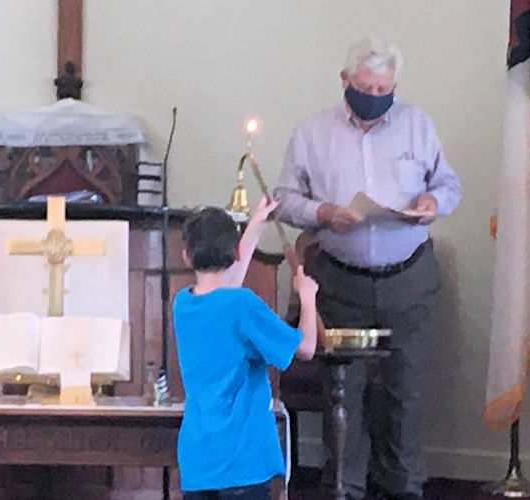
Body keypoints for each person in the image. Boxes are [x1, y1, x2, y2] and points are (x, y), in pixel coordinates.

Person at [273, 35, 461, 500]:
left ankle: (403, 486)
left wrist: (432, 201)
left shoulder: (417, 125)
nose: (375, 97)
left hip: (409, 278)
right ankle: (345, 486)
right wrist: (322, 213)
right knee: (344, 391)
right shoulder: (312, 132)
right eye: (365, 88)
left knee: (405, 391)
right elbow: (284, 199)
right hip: (341, 280)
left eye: (383, 90)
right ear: (344, 80)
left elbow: (448, 184)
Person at [173, 197, 319, 499]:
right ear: (235, 252)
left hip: (198, 460)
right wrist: (307, 297)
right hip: (242, 459)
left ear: (186, 257)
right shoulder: (243, 305)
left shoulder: (183, 303)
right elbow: (305, 348)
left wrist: (255, 225)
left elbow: (226, 289)